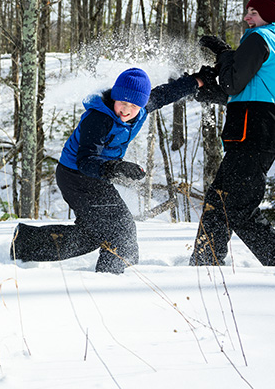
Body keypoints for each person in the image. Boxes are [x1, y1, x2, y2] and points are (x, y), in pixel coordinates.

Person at [11, 66, 210, 274]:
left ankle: (25, 244)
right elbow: (86, 161)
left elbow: (165, 94)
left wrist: (196, 81)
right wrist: (118, 168)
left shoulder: (141, 109)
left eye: (133, 106)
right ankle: (111, 279)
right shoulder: (99, 119)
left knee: (92, 234)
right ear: (114, 97)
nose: (126, 110)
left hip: (95, 175)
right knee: (121, 230)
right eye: (122, 102)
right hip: (77, 177)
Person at [190, 0, 275, 267]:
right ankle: (204, 263)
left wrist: (224, 53)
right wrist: (210, 94)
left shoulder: (259, 38)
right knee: (221, 202)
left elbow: (232, 83)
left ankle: (273, 259)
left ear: (269, 14)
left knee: (237, 207)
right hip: (261, 134)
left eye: (253, 12)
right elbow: (251, 90)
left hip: (251, 135)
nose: (246, 18)